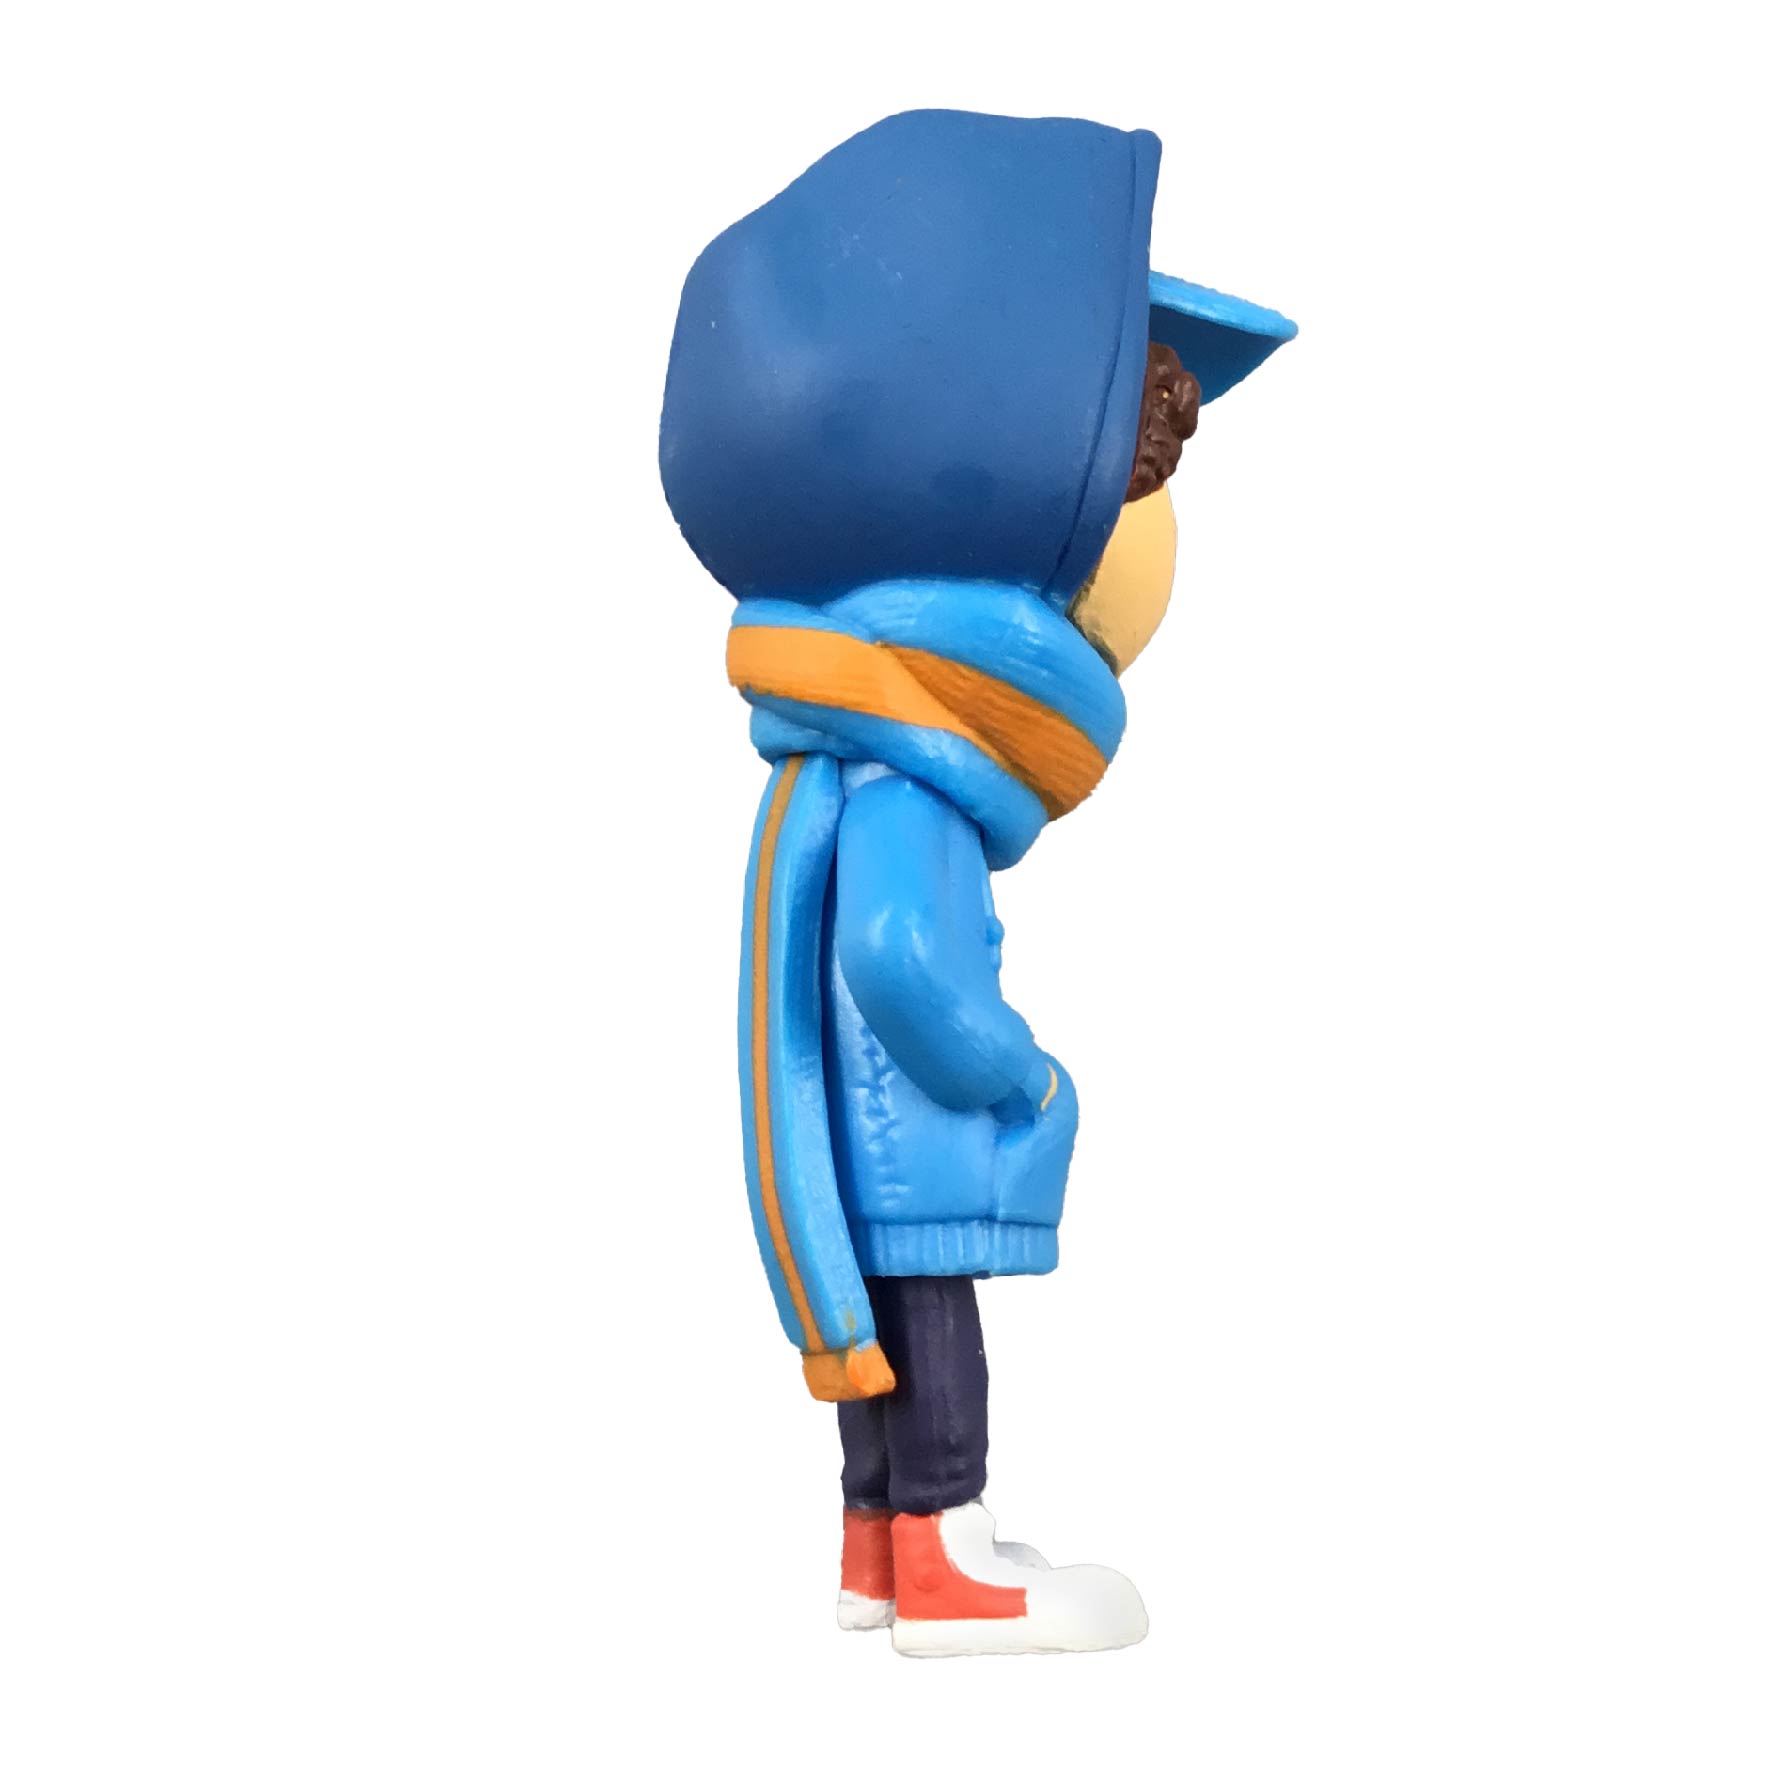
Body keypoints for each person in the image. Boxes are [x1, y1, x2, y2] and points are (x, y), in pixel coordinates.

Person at [659, 108, 1293, 1656]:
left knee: (886, 1344)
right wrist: (1020, 1077)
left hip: (862, 1145)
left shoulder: (847, 749)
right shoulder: (913, 773)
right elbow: (898, 951)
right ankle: (948, 1562)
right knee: (935, 1332)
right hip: (918, 1144)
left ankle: (880, 1551)